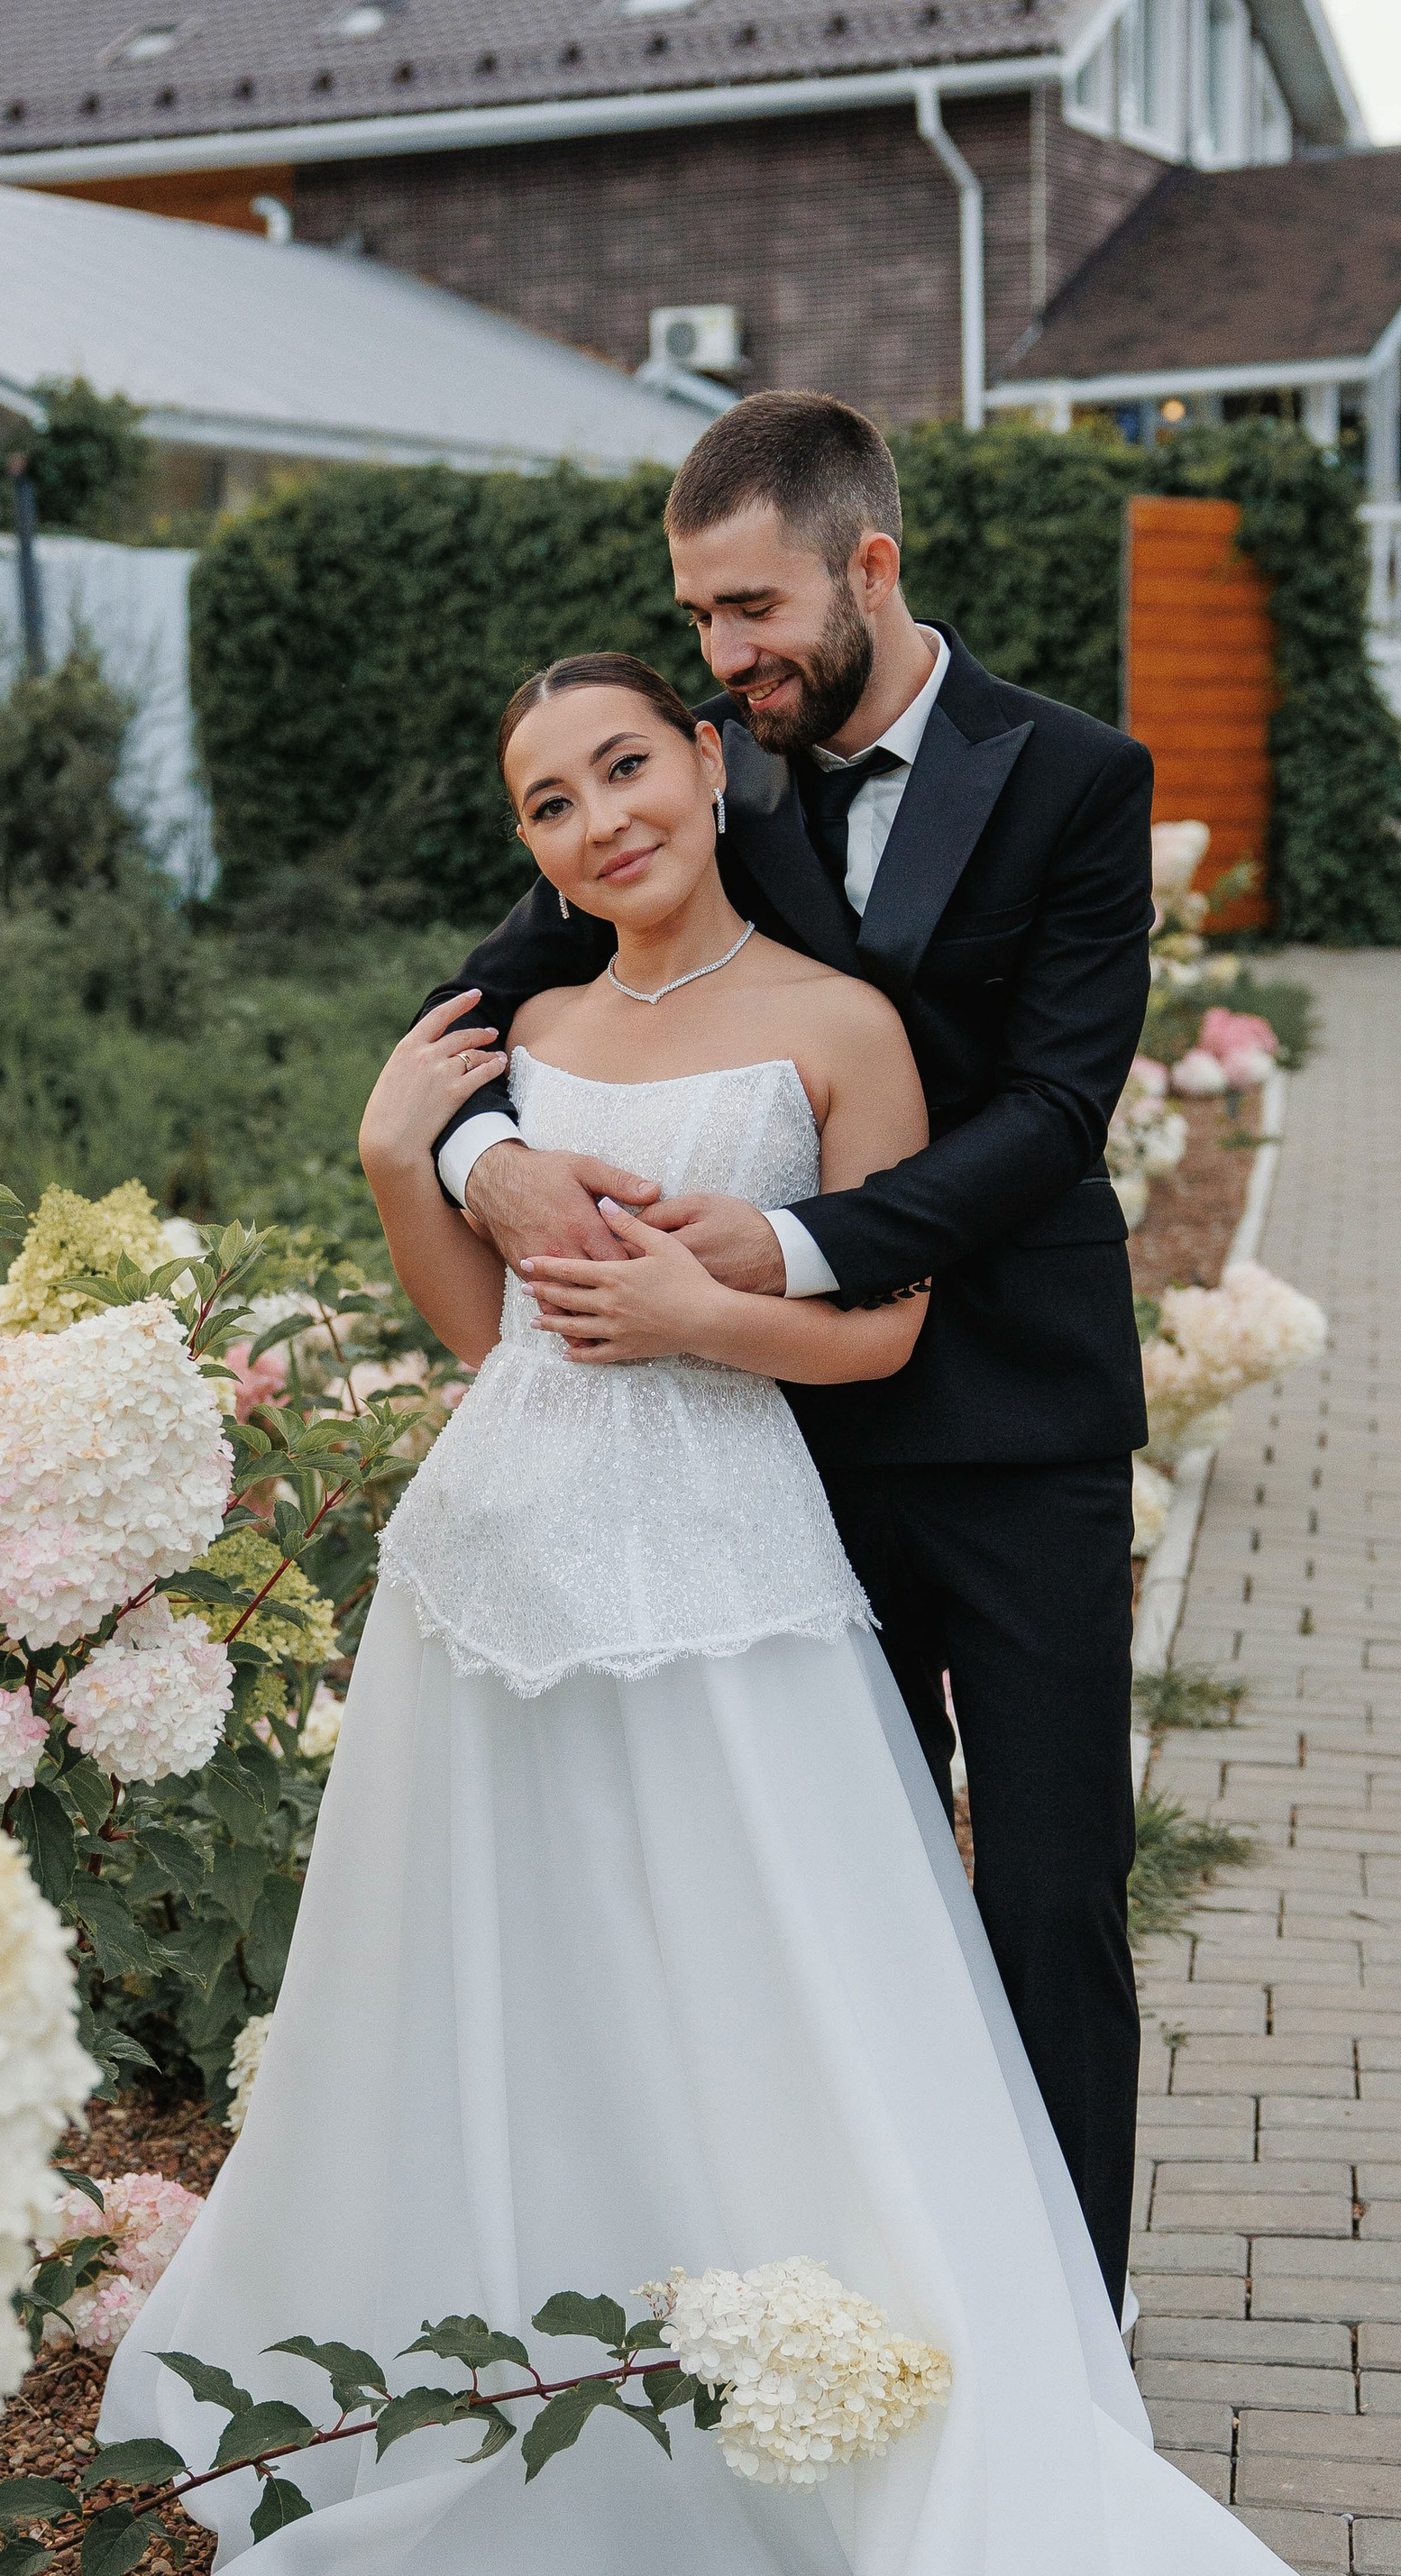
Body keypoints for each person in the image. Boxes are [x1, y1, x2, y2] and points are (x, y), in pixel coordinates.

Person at [100, 653, 1321, 2576]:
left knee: (786, 1976)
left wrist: (696, 1316)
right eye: (548, 804)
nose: (593, 824)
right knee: (516, 1989)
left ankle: (876, 2371)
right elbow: (478, 1339)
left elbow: (878, 1326)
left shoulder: (836, 1030)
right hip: (488, 1584)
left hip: (732, 1563)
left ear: (706, 769)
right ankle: (523, 2356)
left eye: (625, 770)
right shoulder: (521, 1042)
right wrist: (410, 1153)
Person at [422, 394, 1152, 2320]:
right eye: (698, 618)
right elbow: (476, 1023)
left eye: (750, 608)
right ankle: (878, 2288)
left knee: (1051, 1886)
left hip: (1009, 1427)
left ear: (867, 565)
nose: (724, 655)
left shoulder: (1074, 778)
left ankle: (1070, 2320)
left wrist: (803, 1243)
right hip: (775, 1446)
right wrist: (487, 1165)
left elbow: (1054, 1110)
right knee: (848, 1894)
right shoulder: (699, 774)